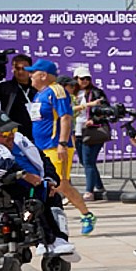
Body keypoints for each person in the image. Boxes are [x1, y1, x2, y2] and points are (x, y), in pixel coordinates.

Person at [0, 110, 75, 258]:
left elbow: (44, 160)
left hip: (35, 185)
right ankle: (45, 241)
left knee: (53, 197)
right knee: (32, 201)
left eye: (12, 130)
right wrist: (23, 174)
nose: (10, 135)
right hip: (3, 191)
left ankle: (59, 240)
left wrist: (50, 180)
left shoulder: (20, 141)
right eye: (4, 133)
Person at [26, 59, 95, 235]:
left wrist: (62, 143)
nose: (30, 76)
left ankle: (84, 215)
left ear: (43, 75)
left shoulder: (57, 91)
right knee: (56, 185)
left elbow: (65, 117)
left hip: (55, 146)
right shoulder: (39, 94)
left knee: (57, 185)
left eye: (33, 73)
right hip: (41, 147)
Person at [73, 73, 107, 201]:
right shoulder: (73, 93)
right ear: (76, 79)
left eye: (88, 78)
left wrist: (94, 119)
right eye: (82, 78)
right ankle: (99, 186)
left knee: (88, 161)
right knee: (84, 161)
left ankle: (89, 191)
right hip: (77, 131)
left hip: (92, 131)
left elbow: (105, 109)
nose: (85, 81)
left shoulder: (96, 92)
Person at [0, 53, 34, 130]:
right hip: (12, 132)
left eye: (24, 68)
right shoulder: (5, 87)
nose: (20, 72)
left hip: (35, 131)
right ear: (13, 69)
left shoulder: (37, 87)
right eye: (17, 68)